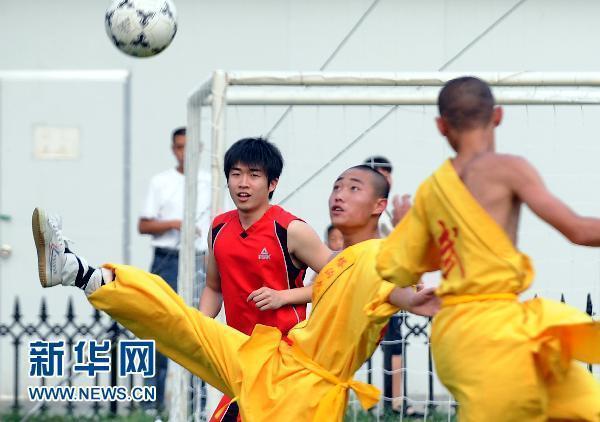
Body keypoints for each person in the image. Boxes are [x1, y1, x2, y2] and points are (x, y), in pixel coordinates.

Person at [31, 165, 439, 421]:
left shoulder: (381, 256)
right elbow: (324, 288)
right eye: (336, 186)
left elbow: (405, 295)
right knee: (184, 320)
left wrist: (412, 255)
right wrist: (286, 296)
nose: (338, 195)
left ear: (379, 205)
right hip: (271, 359)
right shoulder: (337, 262)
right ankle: (78, 271)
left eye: (352, 188)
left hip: (304, 397)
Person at [376, 76, 600, 421]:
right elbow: (580, 232)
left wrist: (408, 226)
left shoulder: (432, 190)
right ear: (497, 116)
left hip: (461, 333)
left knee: (582, 406)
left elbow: (401, 267)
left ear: (441, 126)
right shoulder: (509, 169)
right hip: (493, 333)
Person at [199, 137, 332, 421]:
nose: (243, 183)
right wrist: (196, 328)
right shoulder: (219, 227)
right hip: (240, 356)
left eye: (253, 175)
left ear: (272, 183)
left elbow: (338, 279)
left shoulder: (291, 229)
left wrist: (284, 296)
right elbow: (213, 288)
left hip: (286, 358)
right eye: (236, 174)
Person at [137, 126, 211, 410]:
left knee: (197, 331)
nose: (185, 153)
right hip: (168, 257)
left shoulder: (211, 182)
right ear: (173, 149)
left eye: (190, 148)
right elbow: (144, 225)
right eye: (180, 147)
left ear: (200, 150)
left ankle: (199, 406)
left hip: (201, 259)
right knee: (160, 328)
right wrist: (175, 223)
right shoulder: (161, 182)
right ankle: (152, 406)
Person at [363, 156, 411, 235]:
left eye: (388, 176)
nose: (387, 181)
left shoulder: (385, 209)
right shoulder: (363, 210)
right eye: (383, 177)